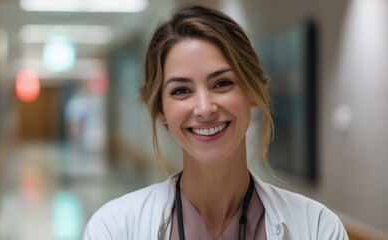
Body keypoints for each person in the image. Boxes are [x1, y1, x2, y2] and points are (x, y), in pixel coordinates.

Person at [83, 4, 349, 240]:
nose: (205, 108)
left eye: (222, 83)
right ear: (161, 111)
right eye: (181, 90)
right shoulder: (114, 229)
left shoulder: (319, 228)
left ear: (253, 93)